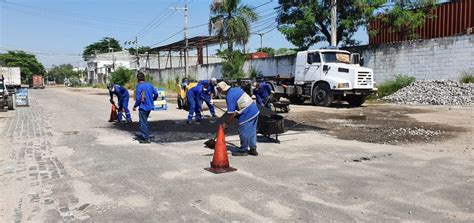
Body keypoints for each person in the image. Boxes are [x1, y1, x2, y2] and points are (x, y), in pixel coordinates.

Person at [217, 81, 259, 156]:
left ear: (221, 90)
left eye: (218, 90)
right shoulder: (236, 89)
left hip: (247, 113)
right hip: (255, 110)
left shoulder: (229, 96)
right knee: (252, 131)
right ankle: (253, 149)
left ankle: (243, 150)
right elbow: (239, 104)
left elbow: (231, 114)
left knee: (243, 132)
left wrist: (226, 123)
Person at [133, 72, 158, 144]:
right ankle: (146, 134)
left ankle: (146, 138)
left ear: (137, 79)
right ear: (144, 78)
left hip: (143, 107)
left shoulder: (139, 86)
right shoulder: (150, 85)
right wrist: (153, 99)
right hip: (149, 106)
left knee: (142, 123)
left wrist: (135, 106)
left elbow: (138, 98)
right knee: (144, 121)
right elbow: (156, 94)